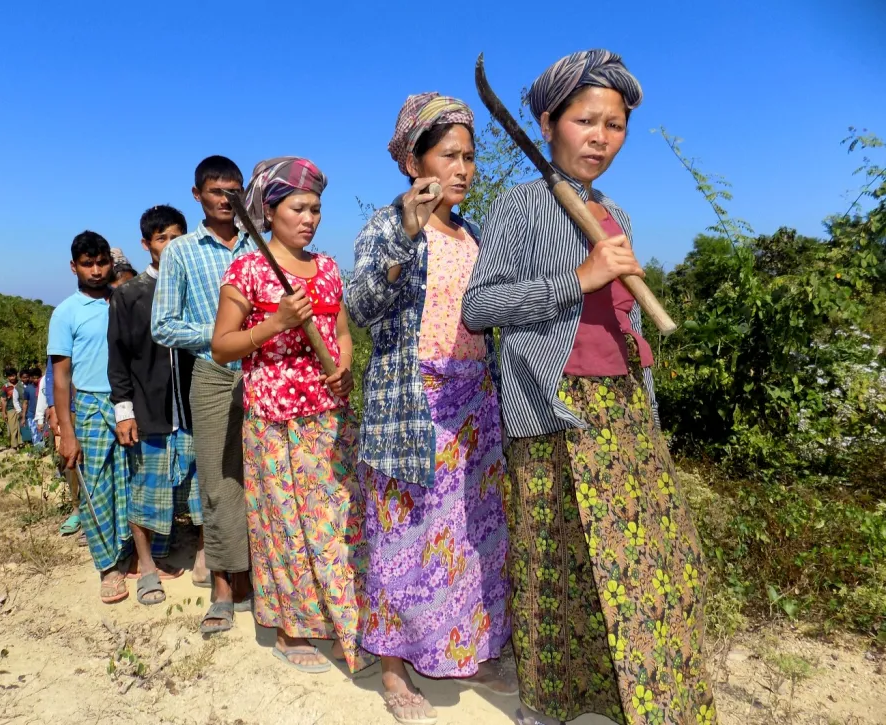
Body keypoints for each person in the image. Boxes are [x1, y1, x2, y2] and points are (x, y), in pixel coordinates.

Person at [462, 50, 717, 725]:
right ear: (548, 122)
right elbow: (479, 308)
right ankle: (551, 701)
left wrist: (637, 345)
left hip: (624, 404)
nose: (601, 136)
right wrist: (577, 278)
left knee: (654, 555)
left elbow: (619, 314)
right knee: (554, 556)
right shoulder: (519, 207)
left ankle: (639, 698)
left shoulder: (617, 214)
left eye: (616, 124)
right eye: (585, 120)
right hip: (551, 402)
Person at [345, 93, 513, 724]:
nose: (463, 169)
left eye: (469, 156)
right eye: (450, 155)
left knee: (473, 535)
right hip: (410, 407)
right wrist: (406, 243)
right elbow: (361, 310)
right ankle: (393, 667)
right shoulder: (387, 227)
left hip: (475, 403)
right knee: (403, 539)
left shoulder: (474, 233)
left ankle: (476, 649)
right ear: (414, 161)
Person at [211, 157, 372, 674]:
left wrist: (344, 367)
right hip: (273, 420)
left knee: (335, 520)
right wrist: (275, 322)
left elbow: (341, 334)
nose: (310, 218)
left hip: (328, 416)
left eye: (316, 209)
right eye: (298, 208)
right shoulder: (249, 269)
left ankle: (344, 617)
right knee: (282, 525)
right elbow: (222, 346)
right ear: (269, 212)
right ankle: (290, 628)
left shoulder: (325, 269)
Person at [152, 155, 255, 633]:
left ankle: (260, 578)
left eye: (234, 191)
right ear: (198, 195)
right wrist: (220, 334)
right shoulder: (181, 251)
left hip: (266, 373)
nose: (226, 200)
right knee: (217, 484)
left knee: (266, 478)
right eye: (217, 192)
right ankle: (222, 588)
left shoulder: (261, 242)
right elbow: (163, 325)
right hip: (213, 375)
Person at [109, 204, 209, 606]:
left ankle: (205, 556)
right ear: (146, 244)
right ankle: (147, 565)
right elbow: (117, 358)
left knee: (205, 489)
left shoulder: (197, 285)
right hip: (150, 412)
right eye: (161, 238)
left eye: (176, 237)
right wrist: (124, 411)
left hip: (196, 406)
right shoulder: (130, 296)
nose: (170, 246)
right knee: (146, 489)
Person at [49, 230, 131, 604]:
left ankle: (128, 552)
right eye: (88, 264)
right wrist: (67, 432)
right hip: (90, 407)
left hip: (128, 404)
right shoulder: (66, 312)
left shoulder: (125, 301)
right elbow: (61, 377)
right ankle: (107, 568)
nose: (96, 271)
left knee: (128, 484)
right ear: (74, 267)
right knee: (95, 488)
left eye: (102, 263)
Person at [40, 358, 82, 538]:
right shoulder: (62, 330)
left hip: (105, 399)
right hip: (70, 407)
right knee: (73, 459)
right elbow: (53, 371)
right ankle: (78, 509)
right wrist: (53, 406)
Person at [0, 367, 23, 450]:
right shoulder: (5, 387)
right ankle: (14, 445)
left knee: (21, 426)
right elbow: (3, 400)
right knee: (13, 427)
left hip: (21, 408)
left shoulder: (21, 384)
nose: (12, 378)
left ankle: (22, 443)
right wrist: (4, 412)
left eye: (13, 376)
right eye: (10, 376)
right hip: (10, 409)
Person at [24, 367, 42, 447]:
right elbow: (25, 402)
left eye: (37, 378)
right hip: (31, 415)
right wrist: (23, 416)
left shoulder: (43, 387)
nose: (36, 380)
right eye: (34, 378)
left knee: (41, 434)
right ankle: (37, 449)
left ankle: (40, 449)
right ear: (31, 378)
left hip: (41, 415)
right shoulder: (28, 389)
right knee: (34, 433)